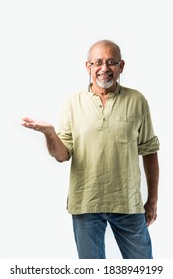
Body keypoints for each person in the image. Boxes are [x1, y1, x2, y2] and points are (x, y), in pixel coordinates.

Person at [21, 39, 160, 259]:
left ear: (121, 66)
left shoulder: (137, 100)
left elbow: (150, 152)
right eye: (98, 63)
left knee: (144, 269)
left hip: (128, 203)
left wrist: (152, 200)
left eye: (111, 62)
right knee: (91, 272)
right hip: (86, 203)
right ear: (88, 67)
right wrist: (50, 133)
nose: (104, 68)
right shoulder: (72, 103)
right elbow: (62, 156)